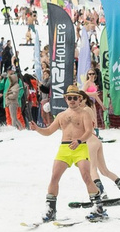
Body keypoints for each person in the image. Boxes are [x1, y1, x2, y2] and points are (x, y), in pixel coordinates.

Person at [40, 90, 106, 223]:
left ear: (80, 99)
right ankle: (51, 209)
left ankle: (98, 206)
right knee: (54, 177)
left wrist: (80, 141)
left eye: (75, 98)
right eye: (69, 98)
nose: (72, 100)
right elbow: (48, 131)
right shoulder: (61, 115)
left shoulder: (85, 113)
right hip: (64, 148)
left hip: (80, 147)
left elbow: (89, 131)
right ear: (65, 99)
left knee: (86, 176)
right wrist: (37, 129)